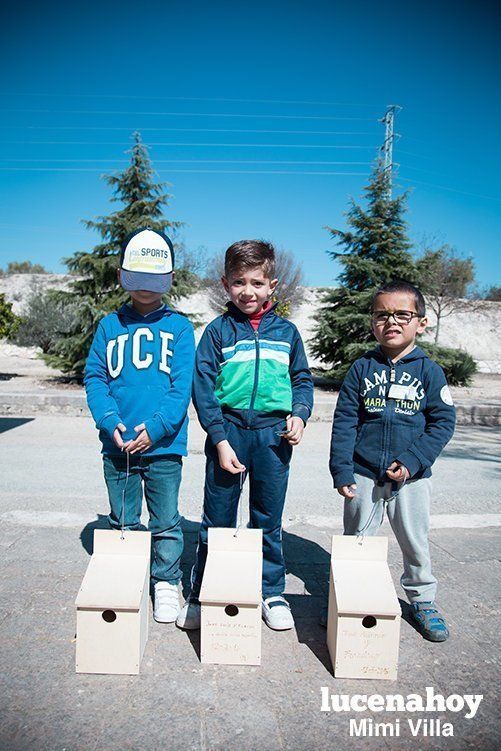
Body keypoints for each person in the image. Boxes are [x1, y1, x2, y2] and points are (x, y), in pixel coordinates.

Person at [176, 239, 314, 631]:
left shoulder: (287, 333)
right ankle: (203, 592)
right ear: (225, 283)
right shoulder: (217, 333)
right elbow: (203, 388)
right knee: (216, 520)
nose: (247, 292)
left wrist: (300, 416)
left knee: (267, 519)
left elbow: (302, 380)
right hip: (229, 435)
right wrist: (219, 439)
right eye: (239, 282)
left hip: (274, 438)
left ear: (273, 285)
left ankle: (270, 591)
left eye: (257, 282)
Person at [328, 280, 456, 641]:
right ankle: (350, 601)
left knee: (415, 541)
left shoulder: (430, 372)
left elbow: (443, 422)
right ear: (372, 322)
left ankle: (422, 598)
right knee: (358, 541)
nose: (392, 322)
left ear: (422, 322)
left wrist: (413, 461)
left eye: (403, 314)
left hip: (410, 481)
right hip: (363, 474)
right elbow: (345, 422)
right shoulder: (361, 369)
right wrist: (342, 468)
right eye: (382, 315)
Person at [84, 227, 195, 623]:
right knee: (123, 518)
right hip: (117, 446)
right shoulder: (108, 326)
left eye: (154, 281)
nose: (146, 290)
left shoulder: (180, 328)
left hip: (164, 446)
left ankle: (166, 582)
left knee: (166, 520)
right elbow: (95, 378)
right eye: (138, 280)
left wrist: (157, 427)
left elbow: (182, 387)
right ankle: (127, 574)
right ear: (121, 276)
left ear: (168, 280)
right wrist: (109, 422)